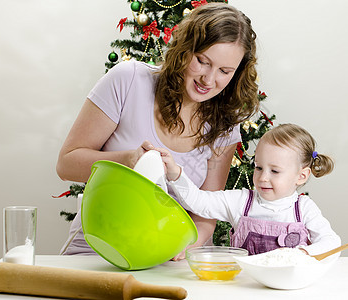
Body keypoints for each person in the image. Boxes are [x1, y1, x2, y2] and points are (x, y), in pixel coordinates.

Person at [56, 3, 259, 259]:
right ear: (185, 50)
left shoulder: (225, 123)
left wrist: (182, 249)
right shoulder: (128, 80)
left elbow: (206, 213)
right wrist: (128, 161)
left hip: (168, 258)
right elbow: (66, 164)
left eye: (224, 71)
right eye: (202, 61)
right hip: (97, 249)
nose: (209, 79)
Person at [157, 123, 341, 256]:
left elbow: (331, 242)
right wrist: (175, 174)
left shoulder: (304, 209)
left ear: (301, 176)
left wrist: (302, 253)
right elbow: (198, 201)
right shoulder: (241, 202)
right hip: (244, 287)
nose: (263, 177)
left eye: (275, 171)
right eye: (259, 167)